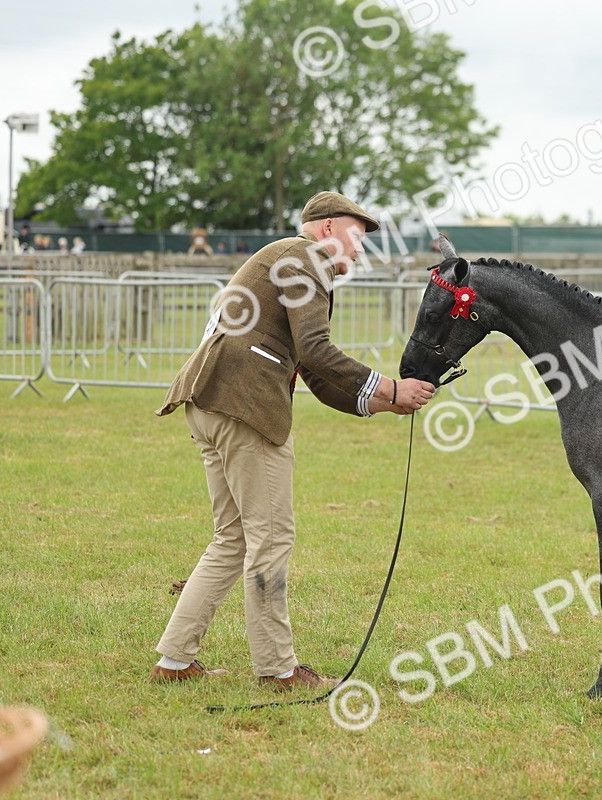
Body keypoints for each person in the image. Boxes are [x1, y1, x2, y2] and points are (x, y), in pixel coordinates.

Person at [150, 191, 437, 690]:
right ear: (326, 229)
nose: (362, 249)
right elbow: (318, 352)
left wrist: (383, 403)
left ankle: (174, 659)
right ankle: (278, 669)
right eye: (356, 235)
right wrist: (390, 386)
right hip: (243, 406)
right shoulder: (303, 260)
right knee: (271, 536)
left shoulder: (288, 260)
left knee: (234, 537)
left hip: (209, 401)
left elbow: (315, 374)